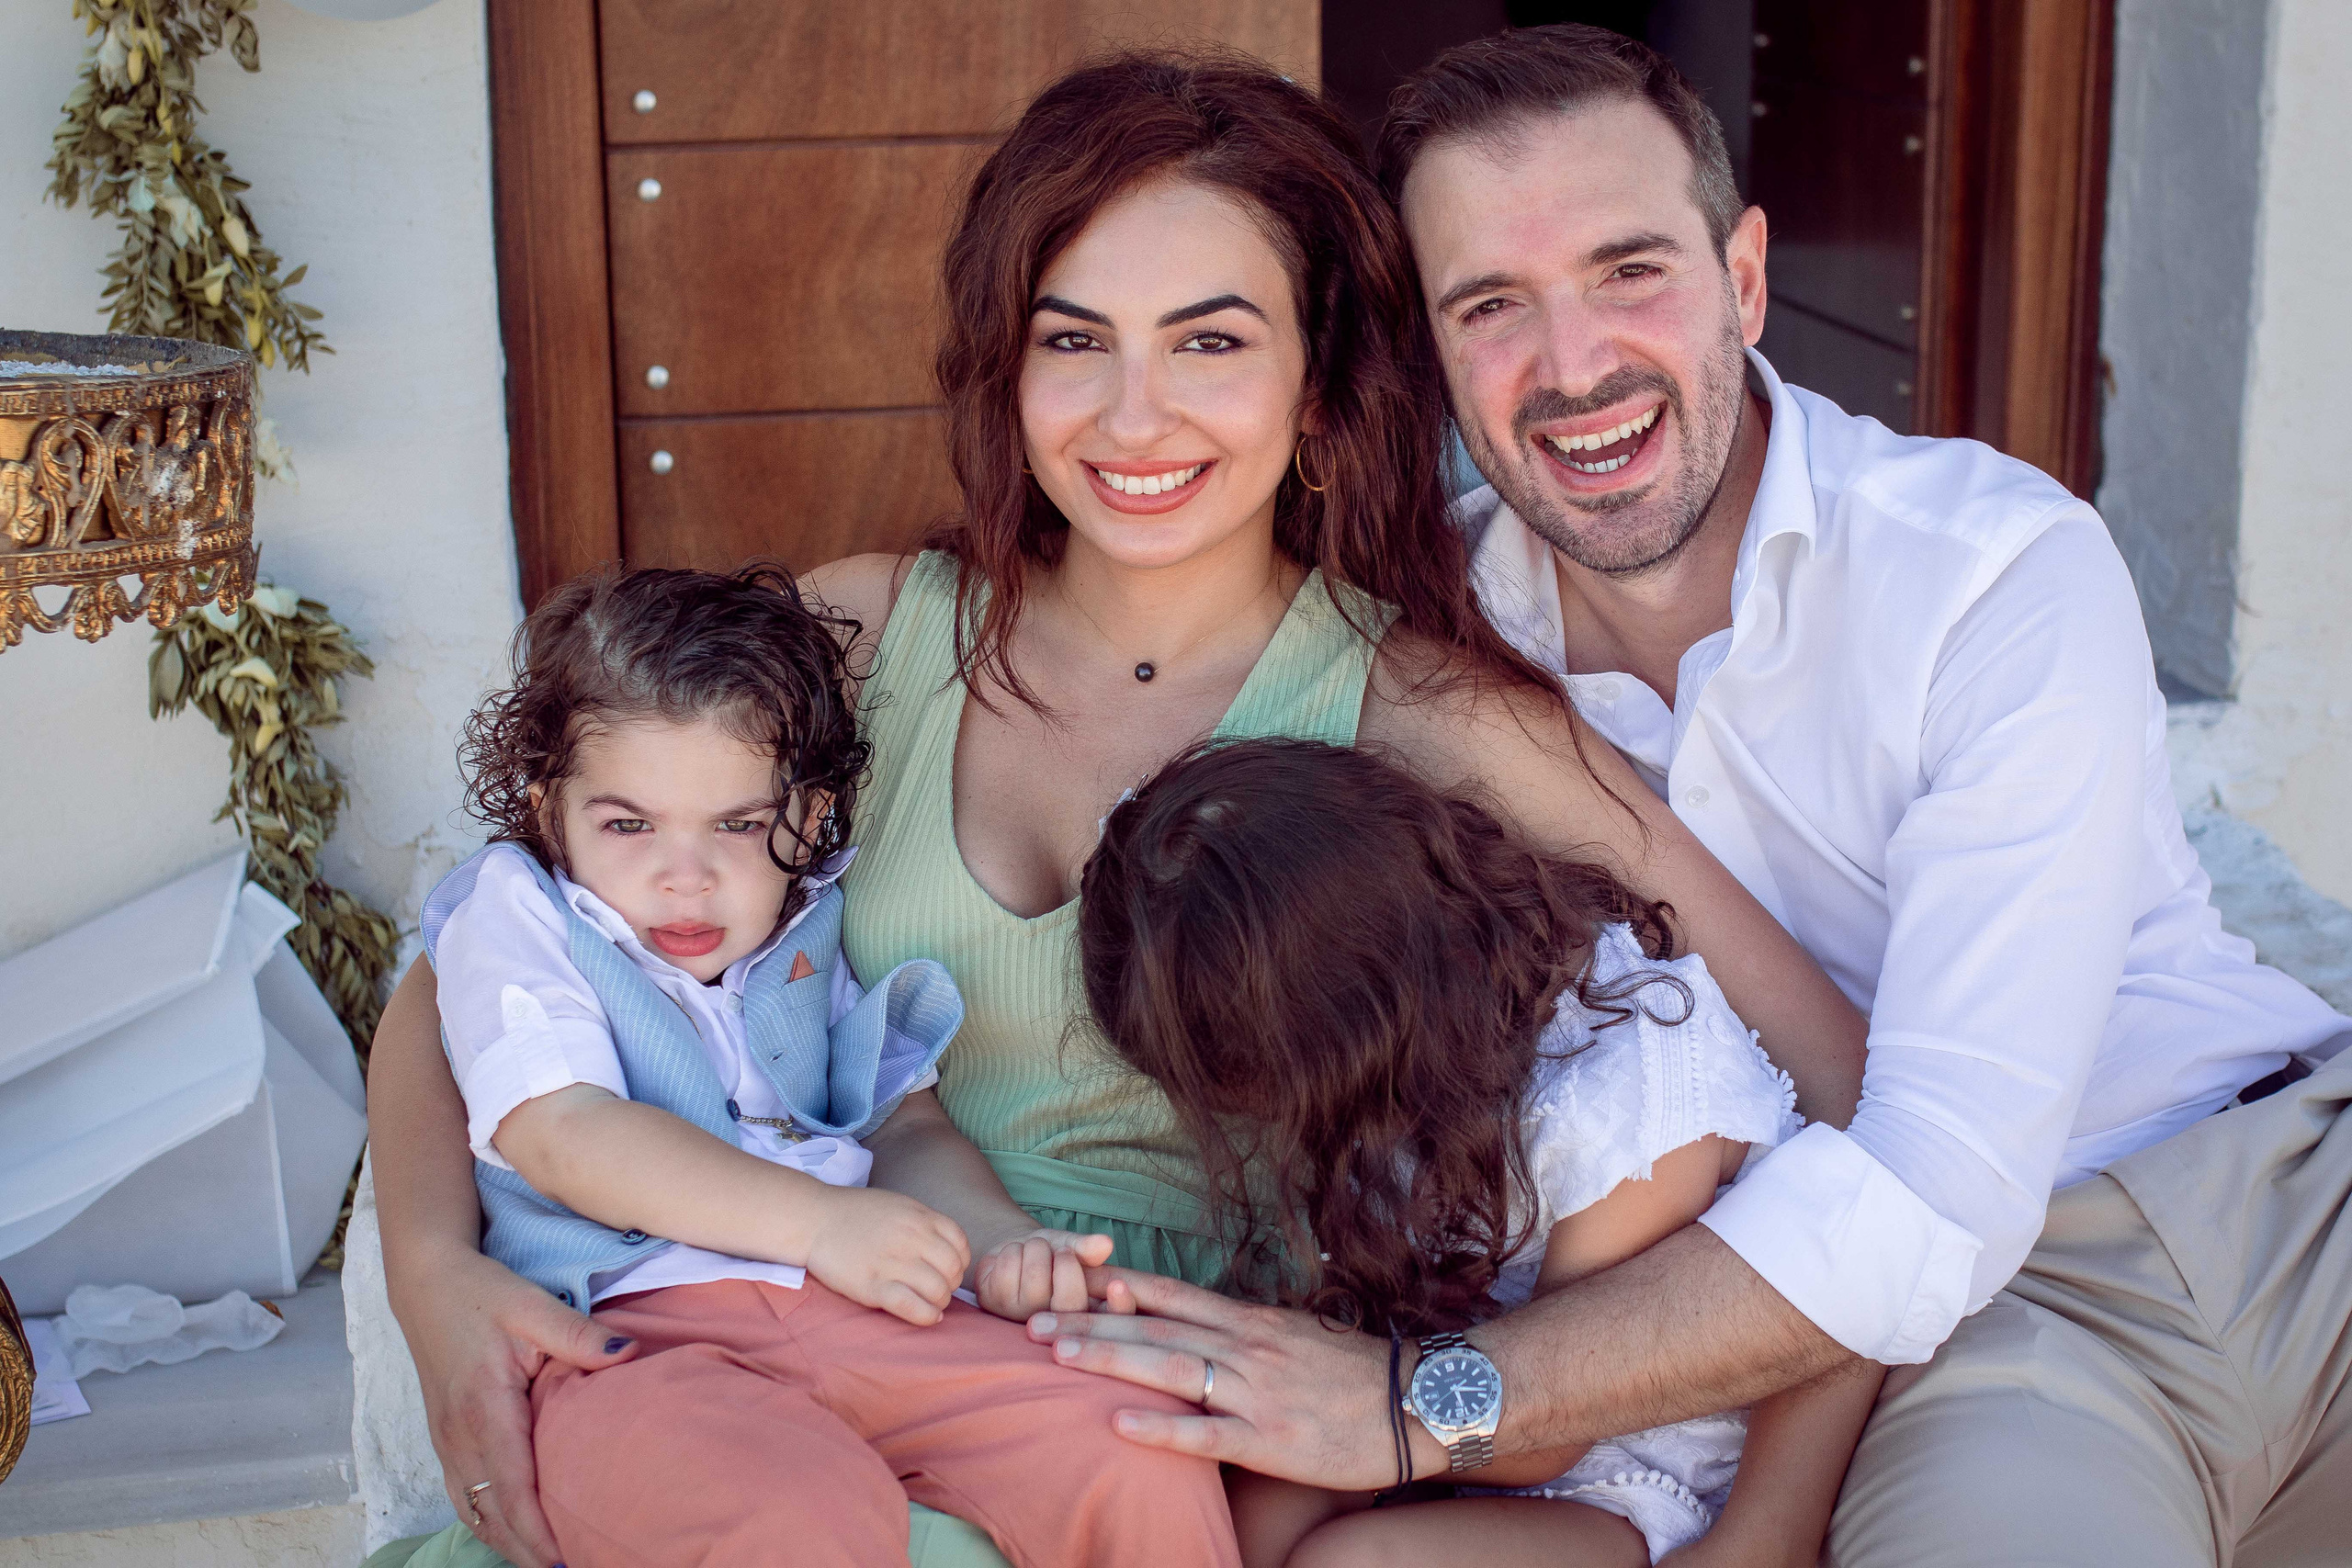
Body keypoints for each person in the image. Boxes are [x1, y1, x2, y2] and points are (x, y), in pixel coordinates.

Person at [362, 51, 1869, 1568]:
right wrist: (434, 1273)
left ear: (1320, 376)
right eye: (1075, 339)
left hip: (1163, 1446)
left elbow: (1849, 1107)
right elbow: (486, 948)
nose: (1135, 417)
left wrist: (1765, 1524)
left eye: (1210, 340)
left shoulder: (1429, 716)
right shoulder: (866, 640)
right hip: (779, 1354)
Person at [1038, 27, 2352, 1568]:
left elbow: (1934, 1171)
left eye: (1629, 270)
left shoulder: (1987, 567)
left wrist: (1418, 1407)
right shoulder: (1426, 660)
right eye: (1490, 306)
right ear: (1432, 352)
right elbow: (1919, 1221)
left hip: (2285, 1173)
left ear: (1744, 278)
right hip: (2008, 1330)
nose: (1573, 363)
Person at [417, 563, 1238, 1567]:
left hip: (854, 1306)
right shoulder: (517, 914)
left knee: (1128, 1443)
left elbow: (902, 1125)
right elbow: (565, 1133)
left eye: (739, 824)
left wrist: (998, 1244)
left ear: (807, 818)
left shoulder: (804, 922)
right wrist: (819, 1223)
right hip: (631, 1341)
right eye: (627, 824)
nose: (685, 877)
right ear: (551, 813)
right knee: (790, 1515)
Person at [1078, 738, 1883, 1567]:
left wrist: (1357, 1404)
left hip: (1615, 1469)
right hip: (1437, 1409)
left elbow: (1555, 1427)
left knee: (1347, 1562)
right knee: (1255, 1514)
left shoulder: (1629, 1094)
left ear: (1350, 1042)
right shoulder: (1409, 1042)